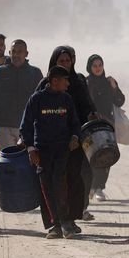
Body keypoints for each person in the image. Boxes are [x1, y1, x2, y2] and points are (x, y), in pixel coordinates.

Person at [36, 46, 97, 229]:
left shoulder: (78, 81)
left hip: (74, 141)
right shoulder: (44, 85)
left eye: (68, 61)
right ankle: (55, 222)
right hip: (49, 142)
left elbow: (87, 105)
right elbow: (32, 112)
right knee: (51, 181)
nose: (65, 64)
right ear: (54, 62)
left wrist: (92, 115)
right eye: (61, 61)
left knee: (73, 179)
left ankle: (69, 219)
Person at [21, 65, 82, 239]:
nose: (68, 84)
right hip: (42, 152)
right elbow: (25, 126)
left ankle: (65, 222)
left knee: (60, 184)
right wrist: (31, 149)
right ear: (55, 81)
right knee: (46, 187)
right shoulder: (37, 99)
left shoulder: (67, 99)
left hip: (62, 150)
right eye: (65, 80)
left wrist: (75, 137)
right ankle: (54, 225)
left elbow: (75, 124)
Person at [0, 40, 43, 201]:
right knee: (5, 162)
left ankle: (27, 194)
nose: (17, 54)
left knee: (28, 162)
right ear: (9, 53)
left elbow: (42, 100)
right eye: (14, 51)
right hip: (3, 125)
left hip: (28, 127)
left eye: (20, 51)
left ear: (26, 54)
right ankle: (5, 193)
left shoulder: (35, 73)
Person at [85, 54, 126, 201]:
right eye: (94, 66)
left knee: (107, 155)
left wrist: (114, 88)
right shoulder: (85, 82)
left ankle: (99, 188)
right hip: (90, 125)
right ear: (89, 67)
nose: (97, 68)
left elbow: (120, 101)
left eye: (100, 65)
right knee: (89, 156)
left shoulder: (109, 82)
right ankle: (90, 186)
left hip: (107, 125)